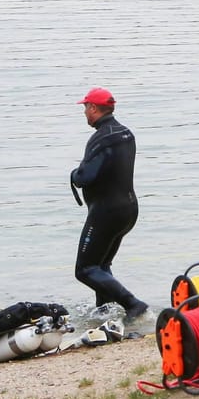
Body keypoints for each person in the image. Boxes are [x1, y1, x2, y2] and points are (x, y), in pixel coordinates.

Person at [70, 88, 149, 318]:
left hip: (106, 212)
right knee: (101, 266)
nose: (84, 112)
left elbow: (85, 178)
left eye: (85, 107)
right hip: (128, 209)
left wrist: (74, 173)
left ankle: (133, 304)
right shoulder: (126, 133)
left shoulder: (102, 138)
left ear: (94, 108)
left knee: (85, 269)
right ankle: (103, 312)